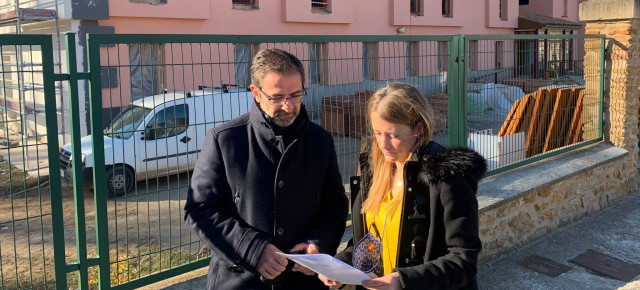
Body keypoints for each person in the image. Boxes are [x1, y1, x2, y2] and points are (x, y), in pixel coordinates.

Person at [184, 48, 349, 289]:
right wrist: (253, 249)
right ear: (256, 93)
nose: (289, 106)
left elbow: (335, 205)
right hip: (239, 281)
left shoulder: (320, 140)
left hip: (302, 281)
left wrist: (319, 243)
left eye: (296, 94)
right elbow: (198, 209)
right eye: (277, 97)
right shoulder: (225, 140)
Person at [318, 83, 487, 290]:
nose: (383, 144)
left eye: (394, 135)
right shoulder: (374, 171)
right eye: (378, 133)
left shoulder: (448, 178)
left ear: (419, 128)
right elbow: (371, 240)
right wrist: (342, 264)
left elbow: (464, 261)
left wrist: (403, 281)